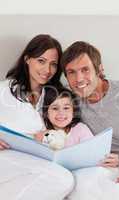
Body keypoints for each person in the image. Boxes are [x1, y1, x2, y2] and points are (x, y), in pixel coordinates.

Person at [0, 34, 74, 200]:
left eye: (53, 64)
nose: (47, 70)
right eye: (41, 61)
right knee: (62, 179)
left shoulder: (56, 97)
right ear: (27, 59)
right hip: (6, 158)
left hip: (38, 161)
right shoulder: (4, 90)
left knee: (64, 178)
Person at [60, 41, 119, 199]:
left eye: (85, 70)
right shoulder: (68, 101)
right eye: (71, 72)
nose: (79, 79)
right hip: (102, 166)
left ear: (99, 69)